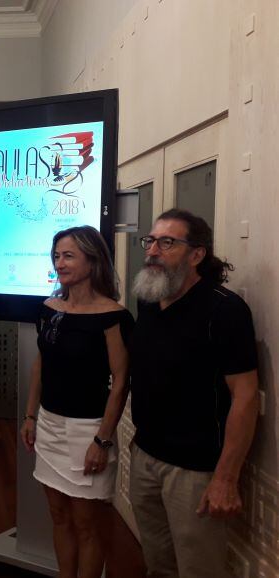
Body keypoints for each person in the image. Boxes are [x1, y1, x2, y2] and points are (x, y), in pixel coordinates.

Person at [129, 209, 259, 578]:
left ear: (196, 254)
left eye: (167, 242)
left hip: (195, 470)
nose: (152, 250)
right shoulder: (149, 299)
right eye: (151, 240)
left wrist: (226, 478)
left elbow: (246, 397)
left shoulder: (225, 310)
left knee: (198, 570)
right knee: (158, 565)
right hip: (146, 456)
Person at [21, 226, 133, 578]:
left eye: (68, 255)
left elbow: (120, 384)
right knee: (58, 516)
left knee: (87, 525)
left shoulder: (113, 316)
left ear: (93, 259)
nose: (60, 263)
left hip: (88, 432)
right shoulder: (48, 308)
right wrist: (29, 415)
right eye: (56, 256)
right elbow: (41, 363)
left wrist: (102, 440)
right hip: (50, 425)